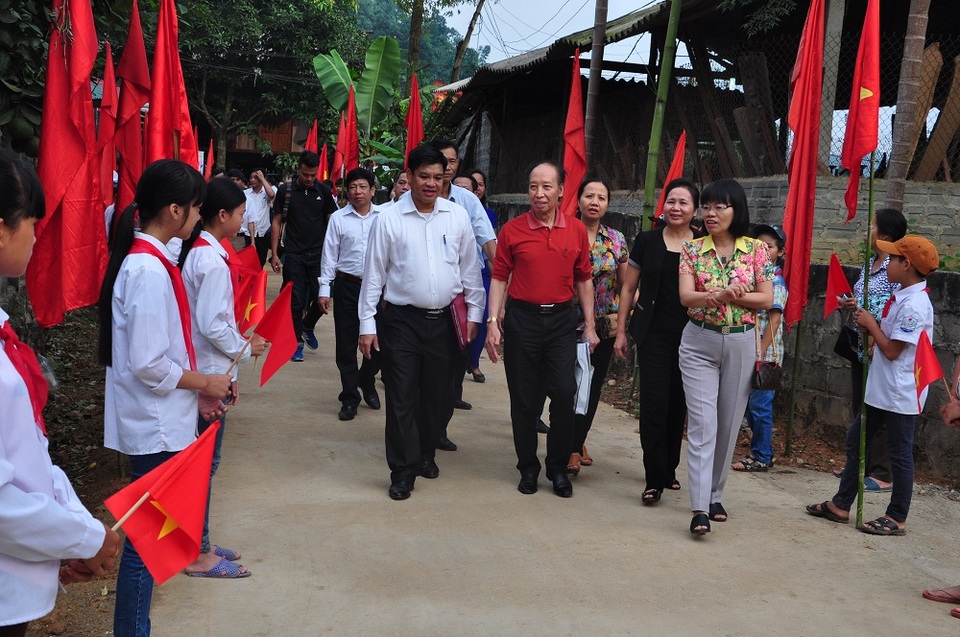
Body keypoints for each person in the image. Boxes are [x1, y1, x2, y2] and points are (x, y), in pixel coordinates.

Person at [98, 159, 233, 636]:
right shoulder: (147, 270)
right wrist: (206, 383)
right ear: (175, 211)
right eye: (197, 208)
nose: (200, 217)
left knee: (150, 540)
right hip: (153, 425)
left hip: (160, 416)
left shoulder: (152, 263)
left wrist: (195, 395)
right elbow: (150, 363)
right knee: (144, 545)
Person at [0, 152, 121, 637]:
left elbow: (29, 454)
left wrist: (68, 537)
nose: (37, 235)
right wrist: (83, 536)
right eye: (32, 221)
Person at [358, 146, 484, 501]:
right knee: (401, 395)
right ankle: (402, 469)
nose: (431, 184)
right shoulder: (389, 219)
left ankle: (426, 452)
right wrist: (367, 325)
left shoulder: (456, 217)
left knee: (438, 396)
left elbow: (470, 271)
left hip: (445, 321)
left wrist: (474, 314)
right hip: (401, 321)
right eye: (423, 176)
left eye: (437, 177)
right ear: (409, 176)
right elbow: (374, 276)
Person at [806, 235, 938, 537]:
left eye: (893, 259)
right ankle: (842, 502)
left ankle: (897, 516)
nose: (887, 263)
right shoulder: (902, 296)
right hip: (881, 387)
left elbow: (893, 350)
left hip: (900, 391)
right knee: (857, 440)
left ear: (907, 265)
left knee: (899, 453)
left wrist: (871, 325)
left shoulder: (915, 305)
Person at [485, 161, 599, 498]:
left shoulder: (576, 230)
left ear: (561, 190)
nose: (539, 193)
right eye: (534, 186)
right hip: (522, 320)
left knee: (564, 394)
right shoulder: (513, 230)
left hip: (562, 322)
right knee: (524, 399)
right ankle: (528, 468)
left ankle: (557, 468)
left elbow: (584, 279)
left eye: (547, 186)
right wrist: (493, 322)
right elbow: (499, 277)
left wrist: (590, 325)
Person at [176, 178, 267, 578]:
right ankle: (196, 551)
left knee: (204, 463)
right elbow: (213, 324)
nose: (245, 220)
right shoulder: (210, 260)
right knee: (202, 465)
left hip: (208, 366)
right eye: (242, 214)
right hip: (210, 371)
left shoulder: (202, 253)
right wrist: (247, 349)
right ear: (223, 215)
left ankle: (203, 540)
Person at [678, 178, 773, 536]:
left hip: (741, 342)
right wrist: (722, 293)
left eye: (721, 206)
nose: (711, 213)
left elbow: (765, 299)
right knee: (704, 424)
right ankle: (699, 507)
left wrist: (729, 296)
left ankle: (716, 494)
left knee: (730, 422)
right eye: (707, 206)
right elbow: (687, 297)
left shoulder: (756, 251)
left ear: (737, 210)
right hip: (699, 341)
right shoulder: (692, 249)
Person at [614, 177, 703, 504]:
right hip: (652, 334)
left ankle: (669, 467)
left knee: (679, 405)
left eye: (683, 203)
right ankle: (653, 478)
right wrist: (621, 330)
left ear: (694, 209)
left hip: (693, 337)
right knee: (653, 403)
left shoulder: (702, 244)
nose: (675, 208)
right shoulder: (647, 241)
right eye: (671, 201)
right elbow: (627, 288)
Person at [429, 140, 497, 449]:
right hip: (424, 296)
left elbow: (487, 240)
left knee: (453, 368)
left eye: (453, 161)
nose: (447, 166)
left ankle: (438, 429)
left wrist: (503, 281)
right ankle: (420, 430)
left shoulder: (467, 202)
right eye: (442, 160)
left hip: (460, 297)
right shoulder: (410, 202)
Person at [834, 208, 907, 491]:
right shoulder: (871, 263)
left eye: (873, 226)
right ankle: (858, 464)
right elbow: (865, 298)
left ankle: (881, 471)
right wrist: (851, 304)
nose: (868, 230)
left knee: (877, 404)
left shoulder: (895, 265)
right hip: (859, 340)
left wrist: (871, 319)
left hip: (880, 340)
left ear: (886, 234)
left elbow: (892, 302)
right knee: (859, 402)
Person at [566, 177, 628, 476]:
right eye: (589, 195)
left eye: (601, 197)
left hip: (603, 326)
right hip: (565, 323)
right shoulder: (564, 232)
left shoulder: (616, 240)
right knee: (565, 386)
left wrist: (624, 321)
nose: (594, 202)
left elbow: (628, 284)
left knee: (590, 387)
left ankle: (576, 446)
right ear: (577, 200)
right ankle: (569, 439)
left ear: (607, 204)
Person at [319, 167, 383, 421]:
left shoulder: (385, 216)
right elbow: (329, 255)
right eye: (353, 187)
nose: (358, 192)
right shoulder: (338, 218)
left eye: (363, 187)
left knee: (379, 343)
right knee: (346, 345)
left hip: (378, 288)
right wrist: (325, 289)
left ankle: (367, 380)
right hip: (348, 286)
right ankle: (349, 397)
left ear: (373, 190)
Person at [270, 150, 337, 362]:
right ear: (298, 169)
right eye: (306, 174)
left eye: (313, 175)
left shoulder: (323, 191)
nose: (309, 179)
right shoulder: (286, 191)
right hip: (294, 254)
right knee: (296, 301)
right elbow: (277, 221)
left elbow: (333, 221)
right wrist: (274, 254)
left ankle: (308, 326)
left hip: (319, 254)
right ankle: (296, 342)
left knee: (321, 297)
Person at [732, 223, 788, 473]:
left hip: (765, 355)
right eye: (760, 245)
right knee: (750, 405)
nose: (764, 249)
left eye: (771, 246)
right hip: (750, 349)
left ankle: (762, 456)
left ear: (781, 252)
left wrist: (759, 353)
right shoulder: (753, 276)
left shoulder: (776, 281)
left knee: (760, 406)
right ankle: (761, 451)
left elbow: (774, 320)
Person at [244, 169, 276, 267]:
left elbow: (271, 195)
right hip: (248, 232)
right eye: (251, 178)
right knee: (249, 261)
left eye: (256, 178)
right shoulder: (246, 193)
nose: (253, 180)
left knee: (261, 260)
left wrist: (262, 179)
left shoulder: (266, 192)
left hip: (263, 232)